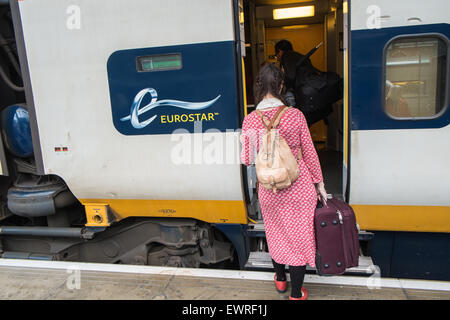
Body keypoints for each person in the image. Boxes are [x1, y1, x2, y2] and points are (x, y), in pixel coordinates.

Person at [240, 63, 327, 300]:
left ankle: (280, 281)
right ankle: (297, 293)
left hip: (269, 189)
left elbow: (246, 159)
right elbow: (309, 153)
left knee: (276, 234)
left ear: (259, 87)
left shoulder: (250, 120)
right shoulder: (295, 115)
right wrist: (319, 184)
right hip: (298, 187)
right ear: (280, 85)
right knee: (298, 239)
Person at [275, 40, 314, 107]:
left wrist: (282, 86)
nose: (276, 56)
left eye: (276, 53)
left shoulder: (286, 56)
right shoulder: (299, 56)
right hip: (310, 91)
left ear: (280, 51)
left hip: (300, 93)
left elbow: (290, 76)